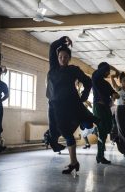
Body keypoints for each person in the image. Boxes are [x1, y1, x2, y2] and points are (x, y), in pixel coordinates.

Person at [46, 36, 98, 174]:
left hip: (70, 106)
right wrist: (63, 40)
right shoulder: (53, 67)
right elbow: (52, 47)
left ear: (69, 58)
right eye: (61, 56)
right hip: (54, 107)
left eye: (65, 57)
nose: (63, 59)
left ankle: (73, 162)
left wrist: (85, 96)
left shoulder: (73, 70)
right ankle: (74, 162)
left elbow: (88, 82)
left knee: (73, 130)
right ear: (58, 57)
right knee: (57, 133)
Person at [92, 62, 120, 164]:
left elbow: (114, 93)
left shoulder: (106, 83)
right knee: (103, 131)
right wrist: (116, 70)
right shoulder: (95, 77)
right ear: (102, 70)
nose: (108, 73)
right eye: (107, 71)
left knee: (109, 127)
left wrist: (116, 95)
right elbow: (105, 67)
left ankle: (97, 129)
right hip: (98, 107)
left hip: (106, 108)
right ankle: (100, 156)